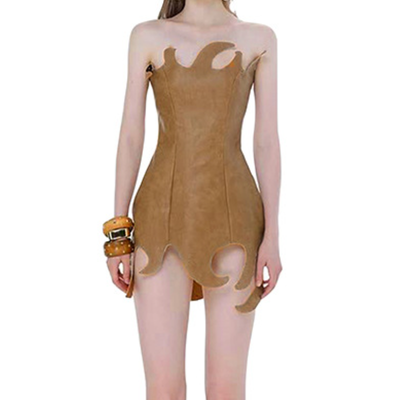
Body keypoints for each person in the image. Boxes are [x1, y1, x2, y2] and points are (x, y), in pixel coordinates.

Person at [103, 0, 282, 398]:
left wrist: (272, 235)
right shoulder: (147, 36)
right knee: (163, 390)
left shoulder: (260, 38)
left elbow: (267, 141)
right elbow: (130, 135)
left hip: (236, 221)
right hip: (159, 219)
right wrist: (118, 233)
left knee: (226, 390)